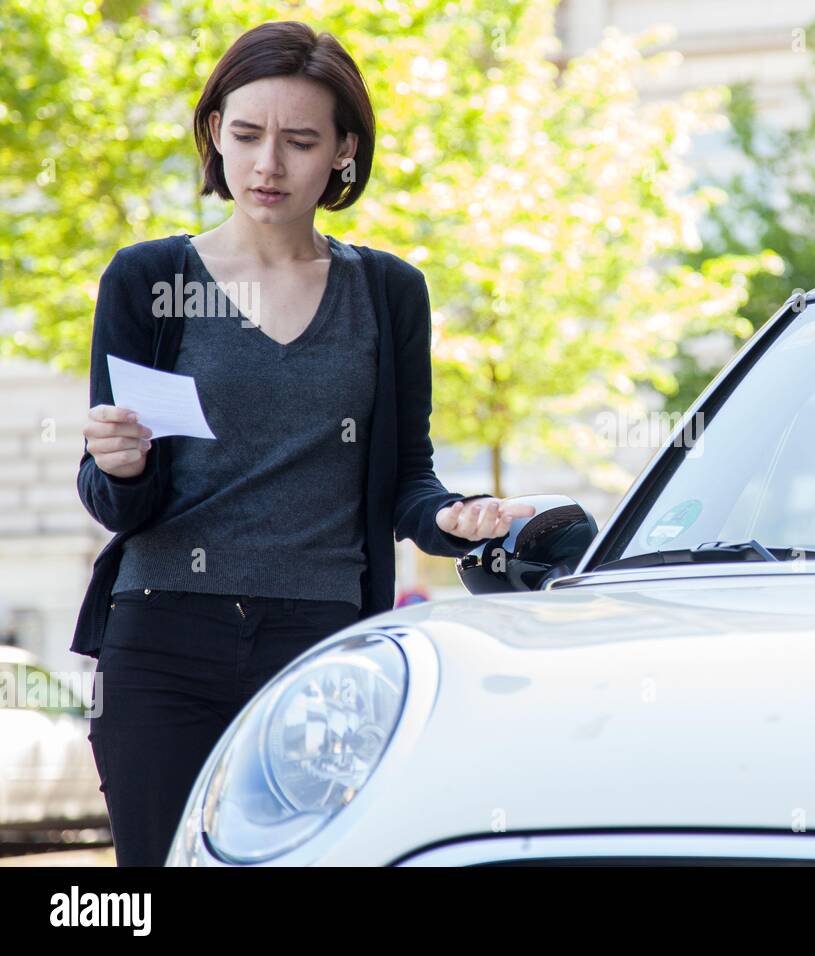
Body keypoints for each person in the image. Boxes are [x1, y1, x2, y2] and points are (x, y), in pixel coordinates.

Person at [75, 21, 534, 866]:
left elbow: (407, 484)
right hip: (161, 638)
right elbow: (115, 501)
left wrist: (460, 520)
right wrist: (119, 464)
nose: (266, 166)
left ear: (344, 152)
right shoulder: (148, 280)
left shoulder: (389, 292)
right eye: (246, 135)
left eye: (299, 141)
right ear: (216, 133)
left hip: (324, 649)